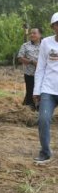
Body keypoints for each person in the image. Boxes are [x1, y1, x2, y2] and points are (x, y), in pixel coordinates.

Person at [32, 12, 58, 164]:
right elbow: (40, 68)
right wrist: (37, 91)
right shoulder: (46, 43)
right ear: (53, 26)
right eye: (57, 24)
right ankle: (45, 152)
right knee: (43, 119)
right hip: (48, 89)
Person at [18, 28, 42, 110]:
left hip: (43, 75)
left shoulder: (45, 45)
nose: (32, 35)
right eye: (31, 33)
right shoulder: (25, 45)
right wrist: (32, 62)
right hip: (30, 74)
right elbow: (20, 58)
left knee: (41, 93)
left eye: (34, 33)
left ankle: (41, 109)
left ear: (40, 35)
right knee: (30, 92)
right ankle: (28, 110)